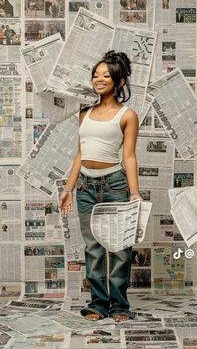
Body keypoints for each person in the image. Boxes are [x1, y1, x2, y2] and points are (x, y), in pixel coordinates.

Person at [59, 50, 142, 322]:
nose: (99, 79)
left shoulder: (127, 115)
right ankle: (98, 303)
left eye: (106, 75)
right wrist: (68, 188)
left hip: (115, 185)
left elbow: (128, 156)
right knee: (93, 247)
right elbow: (79, 154)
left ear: (119, 82)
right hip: (85, 186)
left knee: (119, 247)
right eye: (95, 75)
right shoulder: (84, 113)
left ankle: (119, 305)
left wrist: (134, 192)